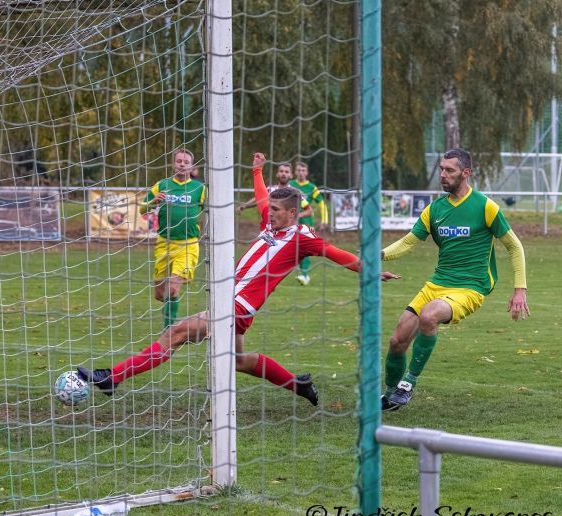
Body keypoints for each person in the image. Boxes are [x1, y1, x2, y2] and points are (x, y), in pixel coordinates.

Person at [78, 153, 400, 405]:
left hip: (238, 306)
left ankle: (112, 377)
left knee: (175, 333)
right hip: (234, 302)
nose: (269, 213)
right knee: (239, 361)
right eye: (270, 209)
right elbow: (261, 197)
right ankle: (297, 384)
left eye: (276, 210)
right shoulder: (270, 222)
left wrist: (371, 272)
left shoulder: (304, 237)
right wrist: (257, 171)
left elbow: (339, 255)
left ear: (292, 213)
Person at [380, 148, 530, 411]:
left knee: (429, 315)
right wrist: (377, 255)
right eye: (441, 169)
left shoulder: (485, 207)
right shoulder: (434, 210)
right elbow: (407, 243)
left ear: (466, 173)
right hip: (437, 284)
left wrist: (520, 289)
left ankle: (408, 384)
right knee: (397, 341)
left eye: (449, 170)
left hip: (470, 288)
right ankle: (390, 395)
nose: (442, 174)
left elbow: (514, 246)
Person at [141, 148, 207, 329]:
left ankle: (168, 331)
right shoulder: (161, 185)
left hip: (188, 245)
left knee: (172, 288)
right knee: (161, 294)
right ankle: (169, 311)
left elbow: (212, 210)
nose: (182, 165)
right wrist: (153, 202)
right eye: (179, 161)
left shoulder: (200, 189)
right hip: (164, 243)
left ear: (192, 167)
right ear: (173, 164)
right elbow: (141, 209)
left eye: (186, 162)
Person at [289, 161, 329, 285]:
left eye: (303, 170)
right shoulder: (290, 184)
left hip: (306, 221)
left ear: (307, 172)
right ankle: (302, 273)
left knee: (304, 248)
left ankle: (305, 275)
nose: (301, 173)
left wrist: (324, 220)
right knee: (293, 248)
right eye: (299, 170)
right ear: (295, 172)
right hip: (290, 221)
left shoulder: (312, 188)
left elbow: (322, 204)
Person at [238, 162, 313, 226]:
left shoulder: (295, 193)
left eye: (286, 172)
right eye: (281, 171)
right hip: (270, 229)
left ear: (291, 175)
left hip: (289, 230)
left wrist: (297, 216)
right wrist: (244, 206)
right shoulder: (270, 189)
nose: (283, 174)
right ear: (277, 174)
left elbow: (309, 211)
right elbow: (258, 199)